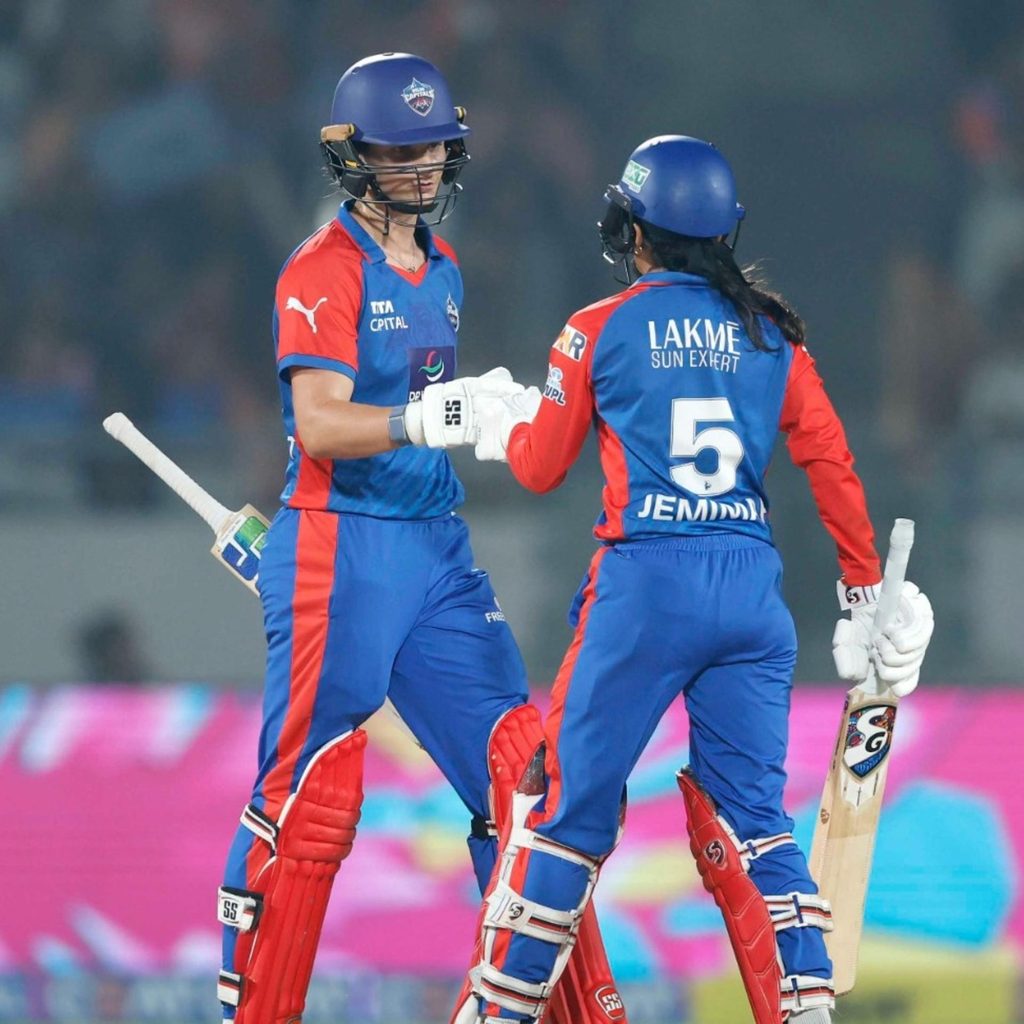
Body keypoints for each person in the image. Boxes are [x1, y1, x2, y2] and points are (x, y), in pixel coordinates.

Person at [455, 135, 934, 1024]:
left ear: (634, 232)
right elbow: (830, 462)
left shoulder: (595, 328)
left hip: (645, 587)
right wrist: (865, 593)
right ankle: (807, 1006)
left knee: (565, 811)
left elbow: (538, 468)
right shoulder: (771, 333)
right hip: (750, 593)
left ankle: (499, 1011)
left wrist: (503, 423)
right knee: (756, 822)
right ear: (723, 234)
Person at [214, 53, 624, 1024]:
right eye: (398, 150)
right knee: (308, 796)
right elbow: (320, 423)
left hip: (435, 551)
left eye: (432, 146)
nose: (420, 165)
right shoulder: (322, 268)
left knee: (525, 778)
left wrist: (481, 415)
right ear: (354, 156)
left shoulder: (443, 269)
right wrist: (426, 418)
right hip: (341, 546)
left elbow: (426, 409)